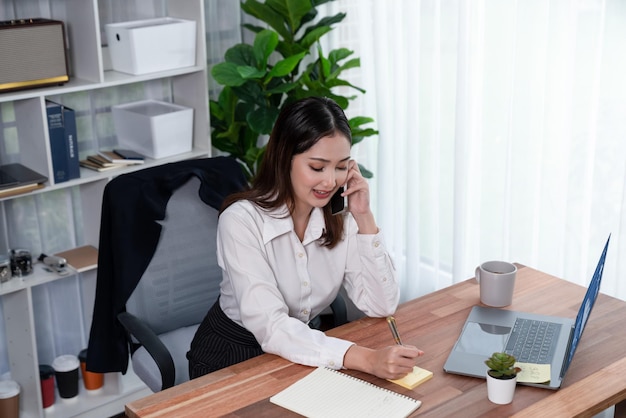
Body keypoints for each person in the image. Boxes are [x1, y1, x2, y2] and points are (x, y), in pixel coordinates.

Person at [187, 96, 423, 381]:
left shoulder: (340, 218)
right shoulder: (240, 221)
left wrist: (363, 216)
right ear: (285, 158)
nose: (330, 182)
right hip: (233, 354)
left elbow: (381, 305)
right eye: (317, 167)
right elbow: (272, 326)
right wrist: (365, 358)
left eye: (340, 167)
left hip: (304, 348)